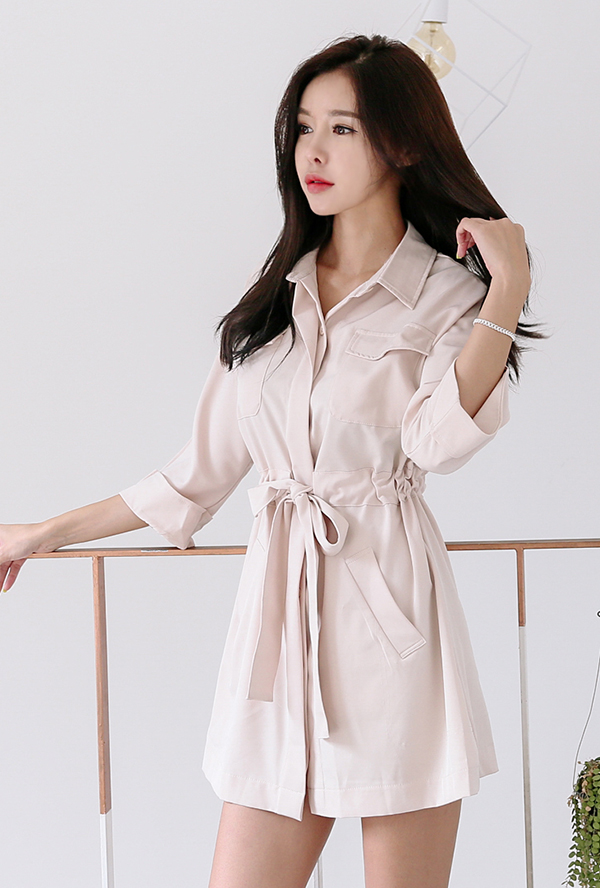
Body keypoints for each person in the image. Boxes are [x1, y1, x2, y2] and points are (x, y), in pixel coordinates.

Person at [0, 33, 542, 888]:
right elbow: (194, 478)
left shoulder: (450, 296)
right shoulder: (272, 305)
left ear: (403, 144)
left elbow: (437, 444)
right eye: (303, 128)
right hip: (278, 642)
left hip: (395, 635)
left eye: (342, 129)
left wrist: (506, 291)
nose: (312, 151)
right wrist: (40, 533)